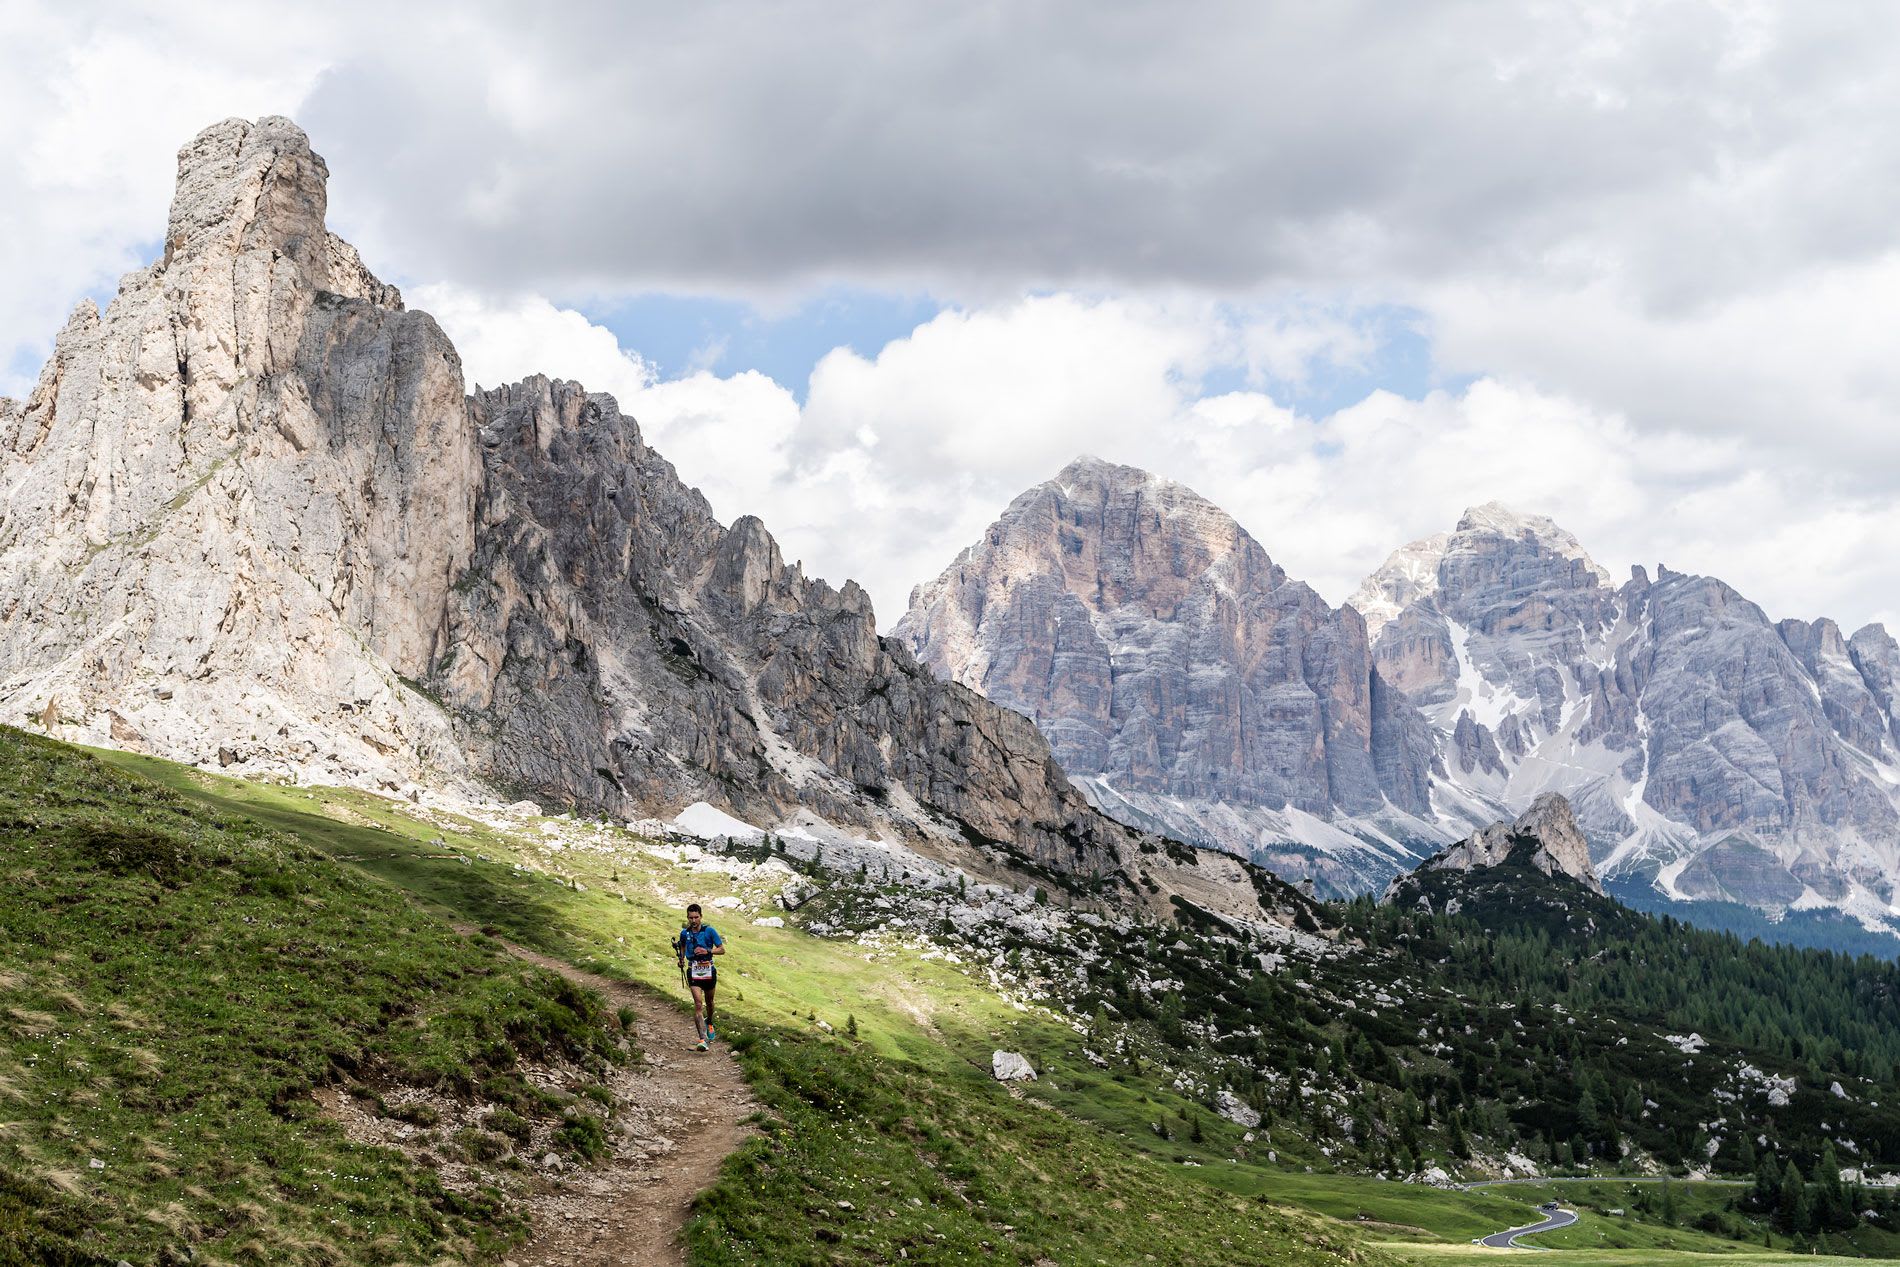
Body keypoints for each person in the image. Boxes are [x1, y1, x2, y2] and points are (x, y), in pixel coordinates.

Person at [675, 902, 725, 1051]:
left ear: (701, 916)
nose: (693, 920)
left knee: (709, 1002)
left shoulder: (709, 931)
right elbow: (682, 946)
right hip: (693, 970)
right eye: (691, 917)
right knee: (698, 1004)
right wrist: (682, 959)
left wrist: (708, 951)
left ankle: (709, 1021)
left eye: (696, 917)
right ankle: (702, 1039)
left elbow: (722, 950)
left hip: (708, 969)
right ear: (687, 918)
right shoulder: (685, 933)